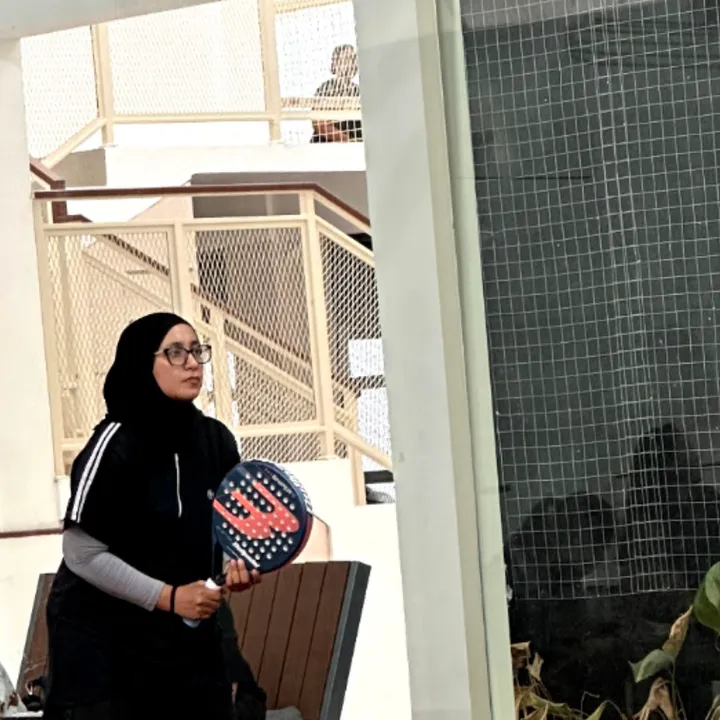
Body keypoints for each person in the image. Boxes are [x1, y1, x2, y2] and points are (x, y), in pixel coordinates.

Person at [43, 312, 260, 720]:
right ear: (143, 363)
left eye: (196, 351)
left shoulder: (216, 441)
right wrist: (170, 598)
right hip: (105, 657)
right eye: (175, 352)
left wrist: (235, 566)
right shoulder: (115, 443)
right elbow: (81, 553)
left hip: (187, 651)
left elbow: (227, 535)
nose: (192, 363)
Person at [310, 44, 363, 143]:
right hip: (329, 146)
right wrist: (346, 140)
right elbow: (319, 123)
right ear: (335, 64)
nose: (350, 63)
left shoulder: (358, 91)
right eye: (346, 59)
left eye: (353, 59)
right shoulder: (326, 88)